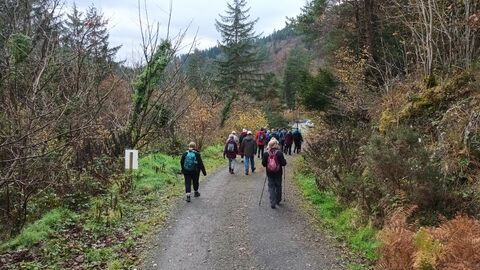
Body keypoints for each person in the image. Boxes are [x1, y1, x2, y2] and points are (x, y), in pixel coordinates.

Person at [262, 139, 287, 209]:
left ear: (269, 145)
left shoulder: (266, 153)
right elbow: (284, 163)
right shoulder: (279, 153)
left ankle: (272, 202)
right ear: (276, 145)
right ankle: (278, 200)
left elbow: (263, 164)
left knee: (271, 187)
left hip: (269, 173)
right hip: (278, 173)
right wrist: (284, 160)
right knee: (278, 186)